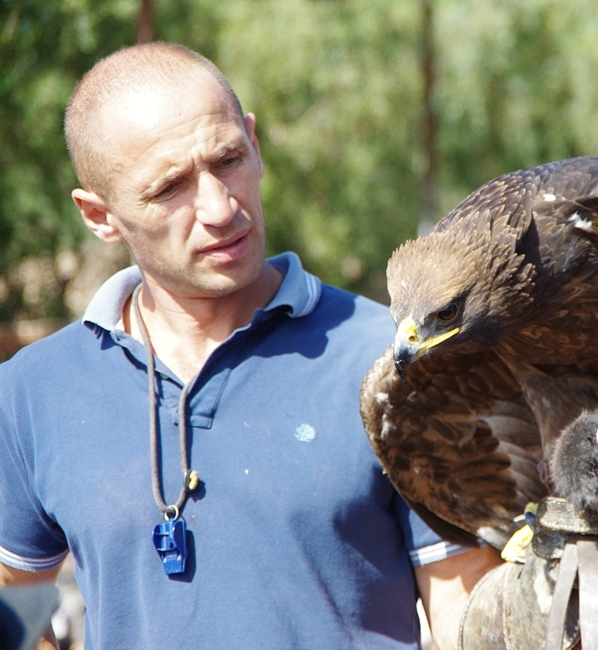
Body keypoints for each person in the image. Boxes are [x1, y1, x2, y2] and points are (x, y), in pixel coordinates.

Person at [0, 42, 504, 650]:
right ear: (98, 215)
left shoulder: (392, 361)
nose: (219, 207)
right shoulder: (34, 390)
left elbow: (462, 604)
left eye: (229, 159)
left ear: (255, 144)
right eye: (169, 189)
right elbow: (13, 595)